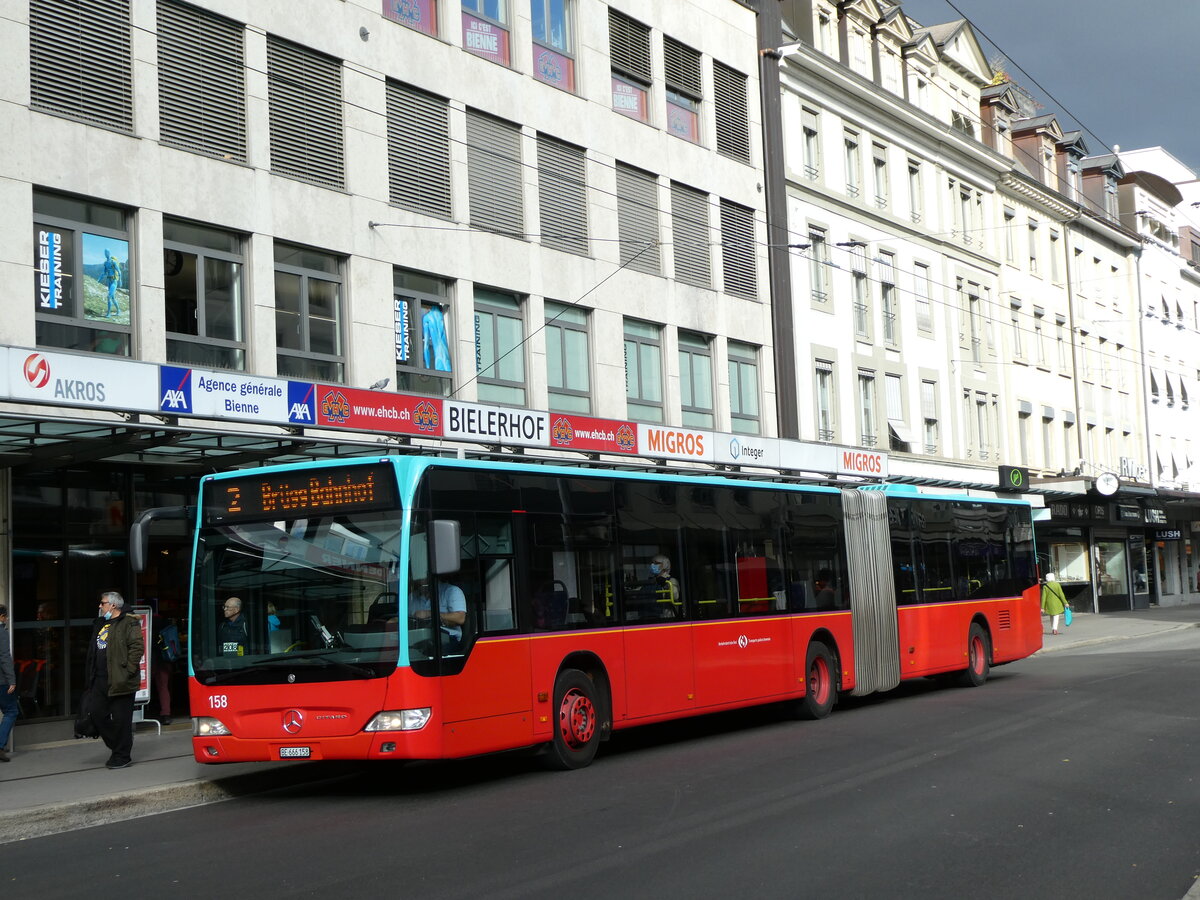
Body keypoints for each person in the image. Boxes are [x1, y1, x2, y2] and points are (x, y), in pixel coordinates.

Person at [83, 592, 143, 769]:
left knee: (121, 720)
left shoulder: (129, 622)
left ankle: (122, 755)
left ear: (113, 605)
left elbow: (137, 647)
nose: (100, 607)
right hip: (100, 680)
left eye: (103, 603)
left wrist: (128, 671)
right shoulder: (101, 624)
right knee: (96, 714)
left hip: (121, 680)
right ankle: (118, 747)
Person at [410, 578, 467, 649]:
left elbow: (460, 618)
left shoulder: (452, 591)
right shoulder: (411, 597)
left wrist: (429, 614)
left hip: (447, 638)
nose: (417, 581)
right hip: (418, 637)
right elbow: (401, 618)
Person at [0, 605, 17, 762]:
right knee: (11, 711)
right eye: (5, 617)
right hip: (2, 681)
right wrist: (11, 680)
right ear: (2, 617)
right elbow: (4, 657)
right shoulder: (2, 633)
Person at [102, 248, 121, 318]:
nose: (106, 254)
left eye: (107, 252)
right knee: (113, 298)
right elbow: (104, 273)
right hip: (109, 281)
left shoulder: (113, 262)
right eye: (105, 253)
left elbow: (119, 272)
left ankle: (108, 313)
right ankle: (119, 310)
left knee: (109, 296)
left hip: (114, 281)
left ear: (109, 253)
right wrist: (99, 279)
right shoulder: (105, 263)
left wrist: (120, 281)